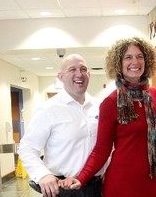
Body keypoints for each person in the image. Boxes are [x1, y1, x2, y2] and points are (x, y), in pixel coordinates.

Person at [58, 36, 156, 197]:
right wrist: (81, 178)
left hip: (153, 181)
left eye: (140, 56)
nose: (135, 62)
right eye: (128, 57)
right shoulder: (111, 102)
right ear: (118, 63)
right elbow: (102, 149)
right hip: (121, 184)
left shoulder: (154, 96)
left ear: (147, 61)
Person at [18, 54, 105, 197]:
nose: (79, 74)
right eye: (72, 69)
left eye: (83, 69)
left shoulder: (100, 106)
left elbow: (107, 145)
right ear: (61, 77)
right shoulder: (48, 109)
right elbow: (27, 148)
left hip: (96, 187)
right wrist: (42, 175)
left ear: (89, 74)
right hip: (62, 190)